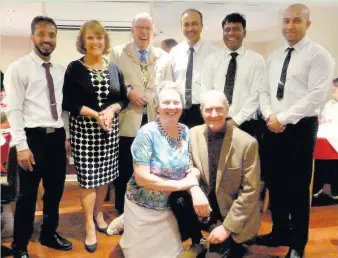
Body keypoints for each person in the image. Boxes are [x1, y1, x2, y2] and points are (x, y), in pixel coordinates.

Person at [257, 4, 335, 258]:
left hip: (300, 128)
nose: (290, 26)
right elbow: (264, 91)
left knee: (299, 187)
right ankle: (279, 231)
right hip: (272, 125)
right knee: (274, 182)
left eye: (296, 21)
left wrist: (284, 118)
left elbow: (317, 96)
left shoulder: (319, 55)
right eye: (286, 21)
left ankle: (298, 243)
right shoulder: (275, 56)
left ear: (307, 24)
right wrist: (271, 115)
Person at [4, 16, 72, 258]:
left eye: (51, 35)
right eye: (42, 34)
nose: (47, 39)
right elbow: (14, 109)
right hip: (32, 139)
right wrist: (21, 145)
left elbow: (63, 107)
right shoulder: (18, 68)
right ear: (32, 37)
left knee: (55, 191)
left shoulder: (61, 71)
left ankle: (48, 233)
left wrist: (66, 135)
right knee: (27, 196)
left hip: (56, 139)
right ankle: (20, 245)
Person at [62, 20, 128, 253]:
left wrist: (110, 111)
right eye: (90, 37)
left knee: (105, 177)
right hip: (84, 132)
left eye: (99, 37)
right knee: (89, 179)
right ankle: (89, 223)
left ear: (105, 41)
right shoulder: (74, 68)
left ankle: (99, 213)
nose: (96, 42)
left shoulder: (114, 68)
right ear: (83, 41)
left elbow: (123, 100)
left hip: (109, 131)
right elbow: (68, 102)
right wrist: (96, 114)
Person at [173, 90, 261, 258]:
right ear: (201, 111)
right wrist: (195, 190)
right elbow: (187, 167)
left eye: (219, 109)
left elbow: (251, 192)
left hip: (231, 214)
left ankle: (235, 242)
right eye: (208, 110)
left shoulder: (247, 143)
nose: (214, 114)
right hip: (206, 209)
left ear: (227, 110)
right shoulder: (193, 134)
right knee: (178, 197)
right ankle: (198, 240)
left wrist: (227, 228)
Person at [119, 82, 199, 257]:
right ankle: (126, 221)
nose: (172, 107)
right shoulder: (146, 134)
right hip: (144, 205)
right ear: (157, 107)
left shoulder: (186, 131)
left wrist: (194, 186)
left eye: (176, 102)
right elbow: (142, 178)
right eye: (166, 102)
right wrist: (180, 185)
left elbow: (192, 166)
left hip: (171, 206)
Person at [109, 12, 172, 215]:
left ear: (153, 32)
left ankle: (148, 207)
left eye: (148, 28)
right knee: (126, 166)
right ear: (132, 30)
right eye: (140, 28)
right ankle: (123, 209)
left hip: (154, 119)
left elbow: (168, 86)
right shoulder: (118, 53)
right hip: (128, 118)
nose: (144, 32)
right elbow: (112, 85)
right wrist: (128, 91)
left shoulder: (163, 56)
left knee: (151, 166)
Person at [201, 13, 265, 137]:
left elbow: (256, 95)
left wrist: (236, 121)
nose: (231, 33)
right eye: (227, 30)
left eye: (236, 29)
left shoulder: (256, 60)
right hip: (216, 122)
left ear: (244, 33)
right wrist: (215, 118)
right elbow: (206, 93)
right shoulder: (211, 60)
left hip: (246, 124)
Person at [170, 9, 218, 128]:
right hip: (178, 112)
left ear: (202, 26)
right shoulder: (174, 53)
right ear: (181, 27)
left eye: (194, 23)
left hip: (205, 112)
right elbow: (169, 83)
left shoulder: (215, 53)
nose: (190, 28)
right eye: (186, 24)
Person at [313, 78, 338, 200]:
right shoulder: (329, 104)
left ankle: (336, 189)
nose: (332, 90)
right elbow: (324, 119)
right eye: (332, 88)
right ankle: (318, 186)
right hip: (326, 137)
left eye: (335, 88)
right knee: (320, 160)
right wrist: (322, 121)